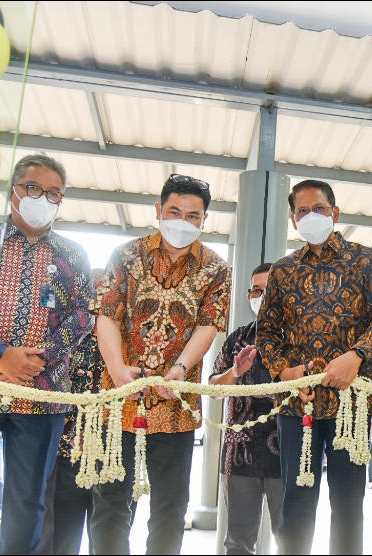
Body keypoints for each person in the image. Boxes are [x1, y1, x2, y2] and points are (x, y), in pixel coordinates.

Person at [0, 154, 95, 554]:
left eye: (53, 193)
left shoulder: (73, 254)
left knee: (27, 505)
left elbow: (83, 315)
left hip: (42, 395)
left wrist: (40, 360)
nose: (42, 198)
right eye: (33, 188)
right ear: (13, 191)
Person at [89, 174, 231, 555]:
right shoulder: (126, 254)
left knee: (169, 508)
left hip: (176, 408)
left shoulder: (217, 269)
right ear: (158, 211)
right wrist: (117, 370)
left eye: (193, 215)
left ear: (204, 219)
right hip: (119, 402)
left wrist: (182, 369)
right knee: (110, 505)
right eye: (174, 212)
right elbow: (107, 314)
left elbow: (208, 325)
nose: (183, 221)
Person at [256, 179, 372, 555]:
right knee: (296, 502)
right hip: (296, 404)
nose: (310, 216)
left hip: (350, 404)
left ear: (335, 213)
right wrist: (284, 372)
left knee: (349, 503)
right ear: (292, 219)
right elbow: (266, 332)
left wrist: (357, 356)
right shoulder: (283, 271)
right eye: (302, 210)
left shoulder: (366, 259)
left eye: (318, 208)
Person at [209, 262, 282, 555]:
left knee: (290, 536)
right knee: (238, 541)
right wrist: (235, 373)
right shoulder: (237, 338)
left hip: (286, 452)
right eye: (256, 290)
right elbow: (213, 389)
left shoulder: (299, 340)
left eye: (269, 290)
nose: (261, 296)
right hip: (239, 455)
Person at [36, 268, 106, 555]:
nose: (99, 299)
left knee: (107, 534)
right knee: (59, 535)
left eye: (106, 292)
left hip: (109, 451)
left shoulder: (122, 342)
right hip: (65, 450)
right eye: (94, 291)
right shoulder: (63, 338)